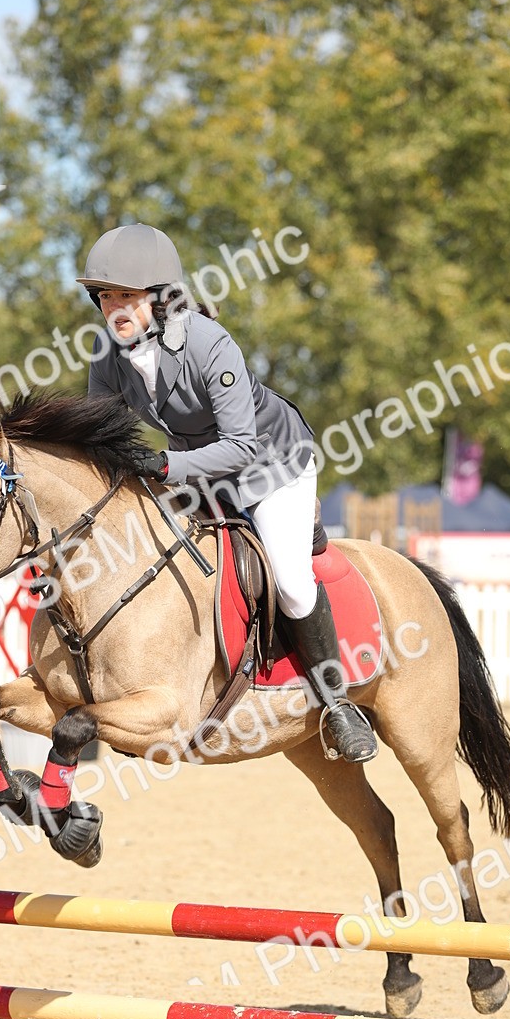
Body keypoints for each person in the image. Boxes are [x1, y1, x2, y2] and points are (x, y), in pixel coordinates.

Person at [77, 222, 377, 763]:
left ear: (159, 297)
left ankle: (337, 704)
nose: (113, 308)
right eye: (105, 297)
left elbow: (241, 446)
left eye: (126, 295)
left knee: (289, 580)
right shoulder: (108, 355)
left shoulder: (210, 343)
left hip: (273, 464)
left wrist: (166, 465)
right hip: (202, 472)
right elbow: (101, 435)